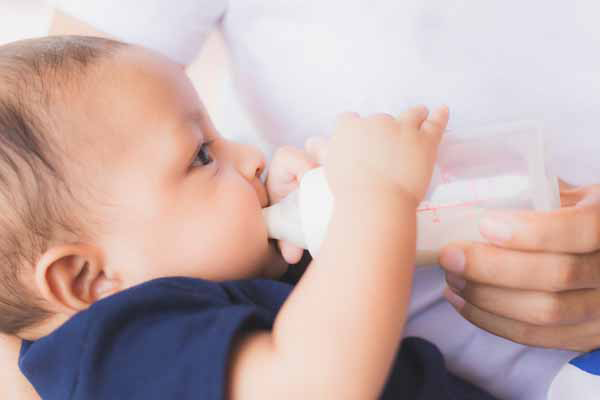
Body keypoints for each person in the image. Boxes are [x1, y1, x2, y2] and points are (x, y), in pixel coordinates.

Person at [4, 2, 600, 399]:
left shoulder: (187, 282)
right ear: (84, 277)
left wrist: (308, 215)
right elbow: (314, 385)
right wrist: (376, 198)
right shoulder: (119, 351)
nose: (253, 155)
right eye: (203, 156)